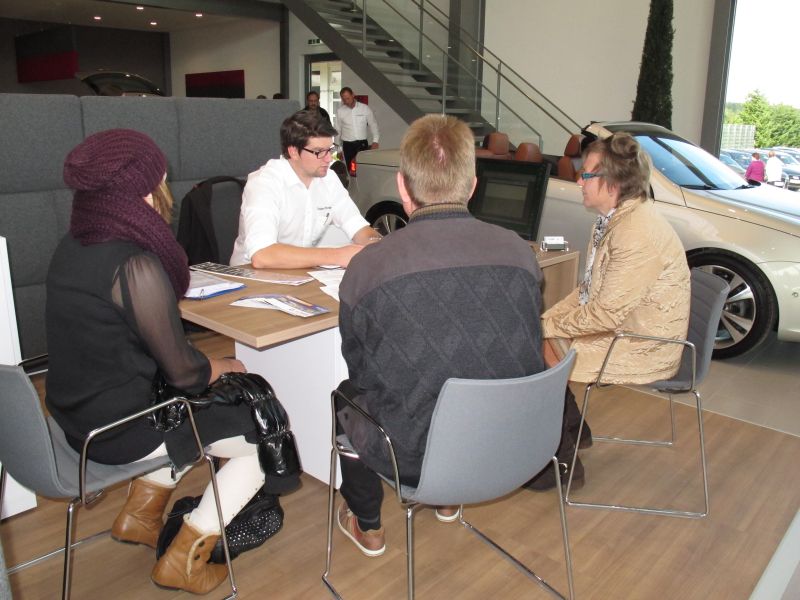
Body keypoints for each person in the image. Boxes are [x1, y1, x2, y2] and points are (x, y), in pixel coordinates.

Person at [46, 129, 266, 595]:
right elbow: (186, 376)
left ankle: (141, 516)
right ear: (145, 190)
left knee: (197, 414)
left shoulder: (73, 245)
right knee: (259, 433)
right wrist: (224, 365)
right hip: (118, 431)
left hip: (75, 421)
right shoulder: (134, 265)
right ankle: (186, 559)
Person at [334, 114, 545, 557]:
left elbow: (360, 369)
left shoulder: (369, 267)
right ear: (472, 185)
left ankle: (368, 525)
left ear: (402, 186)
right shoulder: (520, 253)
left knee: (348, 397)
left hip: (417, 459)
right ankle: (448, 500)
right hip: (516, 444)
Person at [526, 132, 690, 491]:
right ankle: (574, 431)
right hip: (628, 324)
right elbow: (589, 292)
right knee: (539, 339)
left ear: (612, 183)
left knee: (536, 356)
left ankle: (563, 461)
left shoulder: (634, 233)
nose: (579, 181)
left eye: (586, 174)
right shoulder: (615, 220)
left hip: (644, 341)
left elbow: (605, 315)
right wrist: (544, 322)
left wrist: (542, 327)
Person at [230, 110, 379, 269]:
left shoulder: (329, 179)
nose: (329, 159)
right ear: (293, 151)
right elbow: (262, 255)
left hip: (301, 271)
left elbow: (358, 227)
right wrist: (337, 256)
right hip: (251, 275)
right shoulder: (264, 183)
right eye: (319, 152)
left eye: (330, 149)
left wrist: (379, 247)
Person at [336, 86, 379, 173]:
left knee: (363, 170)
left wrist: (375, 141)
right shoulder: (340, 111)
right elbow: (337, 130)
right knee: (350, 170)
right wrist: (339, 150)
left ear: (353, 95)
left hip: (362, 144)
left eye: (348, 98)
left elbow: (373, 125)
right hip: (347, 145)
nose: (346, 101)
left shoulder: (365, 108)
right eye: (344, 99)